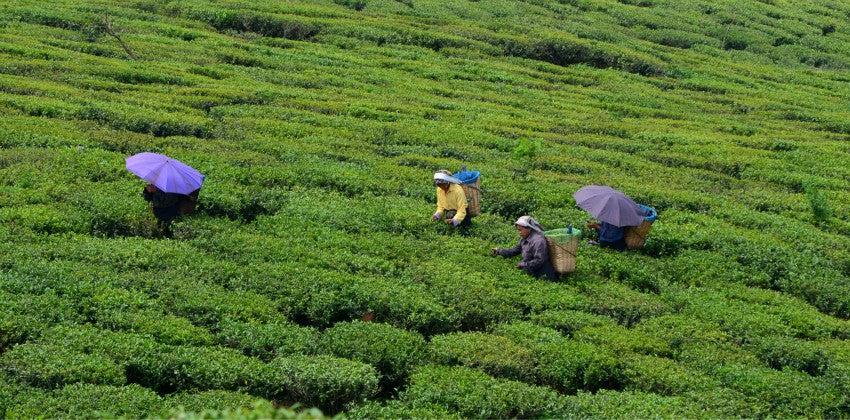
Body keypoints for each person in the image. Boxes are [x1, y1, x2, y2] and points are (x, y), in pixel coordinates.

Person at [492, 216, 557, 281]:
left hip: (544, 274)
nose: (519, 233)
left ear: (529, 228)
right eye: (518, 230)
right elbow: (515, 250)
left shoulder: (538, 241)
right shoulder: (524, 238)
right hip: (532, 272)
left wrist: (523, 265)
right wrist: (499, 251)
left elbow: (539, 260)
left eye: (520, 230)